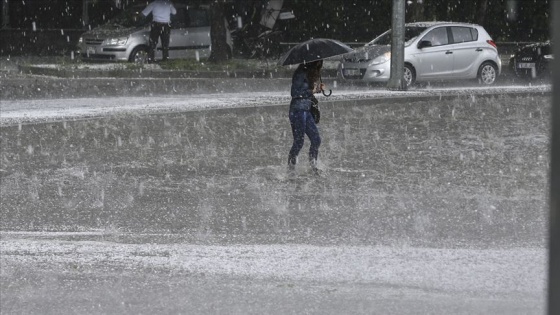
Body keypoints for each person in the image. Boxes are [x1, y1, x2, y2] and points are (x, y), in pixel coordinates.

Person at [287, 60, 326, 175]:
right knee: (299, 142)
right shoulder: (300, 73)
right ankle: (290, 170)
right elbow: (294, 93)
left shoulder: (309, 73)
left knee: (316, 140)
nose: (319, 66)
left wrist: (318, 89)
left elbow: (307, 92)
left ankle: (314, 167)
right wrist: (312, 90)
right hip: (297, 110)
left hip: (306, 110)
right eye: (318, 63)